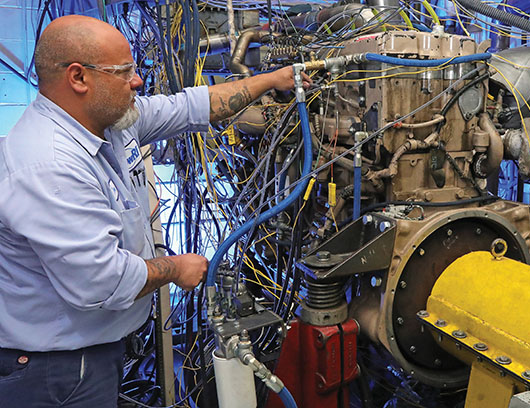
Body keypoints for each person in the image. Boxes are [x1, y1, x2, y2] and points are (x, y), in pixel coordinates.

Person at [0, 14, 311, 408]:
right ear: (78, 78)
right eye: (124, 71)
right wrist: (176, 269)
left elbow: (190, 107)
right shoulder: (49, 165)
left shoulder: (107, 123)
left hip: (88, 354)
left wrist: (271, 79)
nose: (137, 81)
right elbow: (102, 281)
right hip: (55, 373)